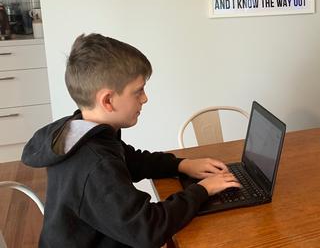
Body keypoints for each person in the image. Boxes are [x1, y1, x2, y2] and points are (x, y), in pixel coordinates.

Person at [21, 34, 241, 247]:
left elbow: (129, 159)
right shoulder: (95, 164)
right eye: (138, 91)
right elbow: (147, 229)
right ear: (108, 100)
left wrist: (181, 165)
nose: (145, 98)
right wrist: (202, 190)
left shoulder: (82, 130)